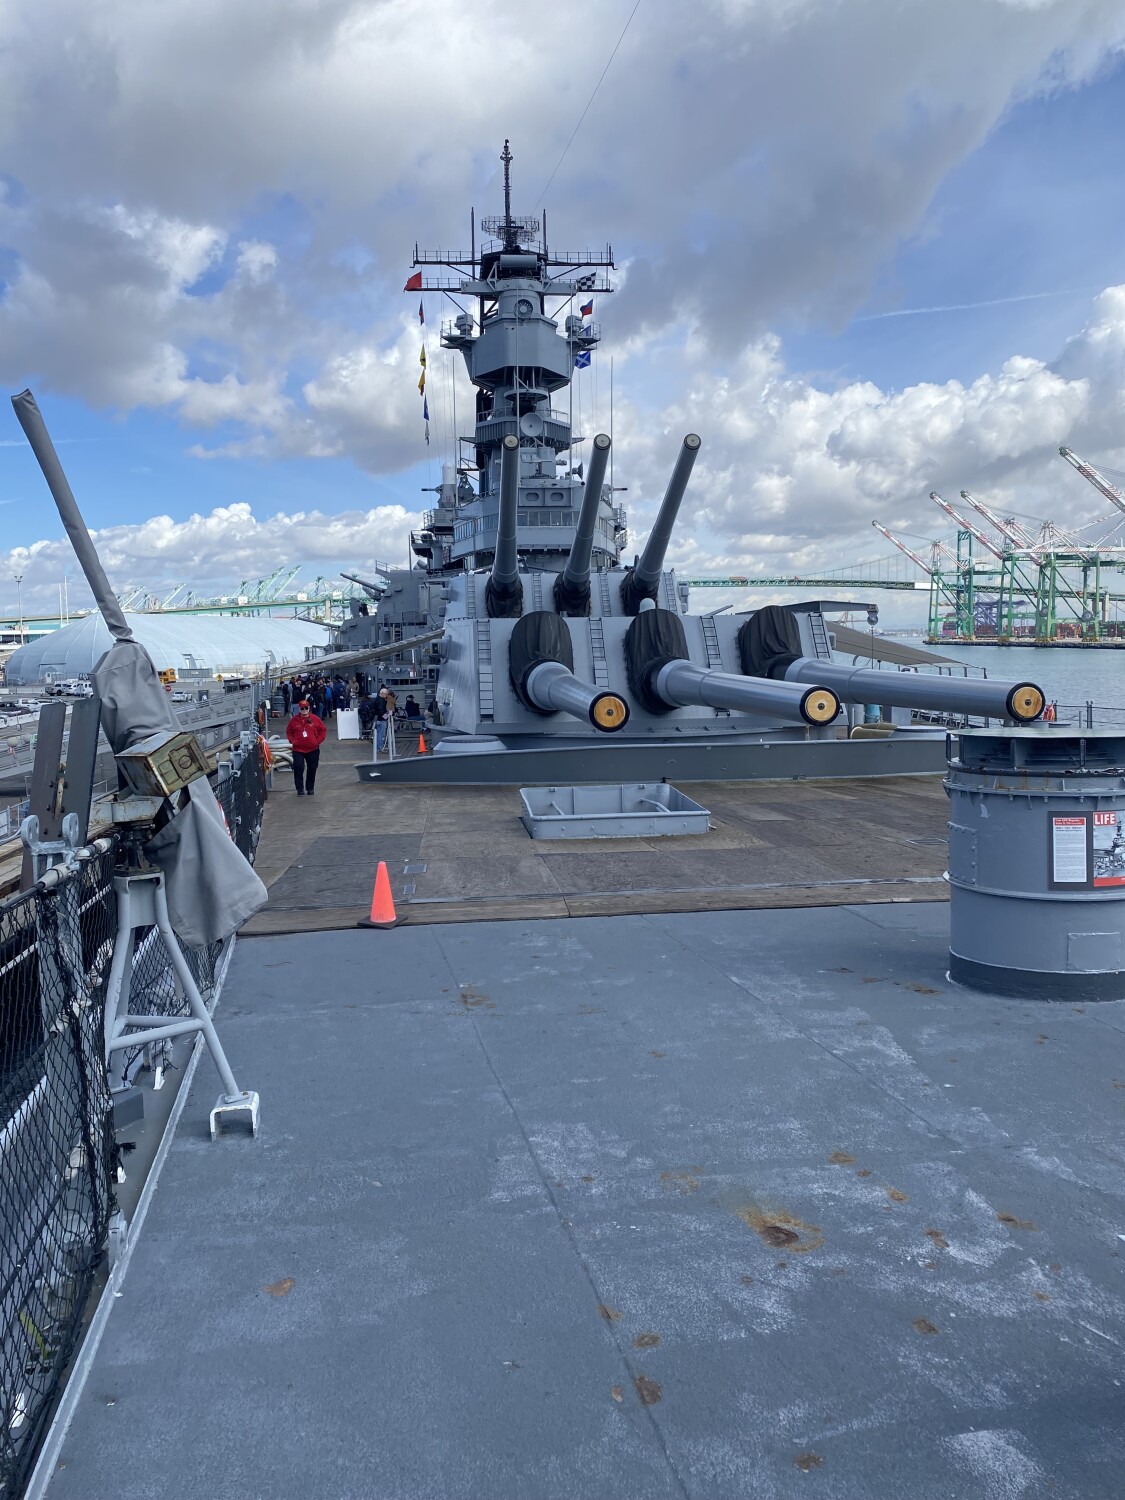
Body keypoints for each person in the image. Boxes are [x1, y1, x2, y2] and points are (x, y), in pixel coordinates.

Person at [286, 699, 327, 795]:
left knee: (312, 768)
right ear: (299, 709)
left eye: (306, 708)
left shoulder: (315, 719)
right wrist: (292, 741)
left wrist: (317, 741)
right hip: (298, 749)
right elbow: (289, 732)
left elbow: (323, 731)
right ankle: (299, 789)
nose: (304, 710)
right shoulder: (294, 721)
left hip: (313, 749)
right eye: (302, 708)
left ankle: (310, 788)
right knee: (298, 768)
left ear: (309, 708)